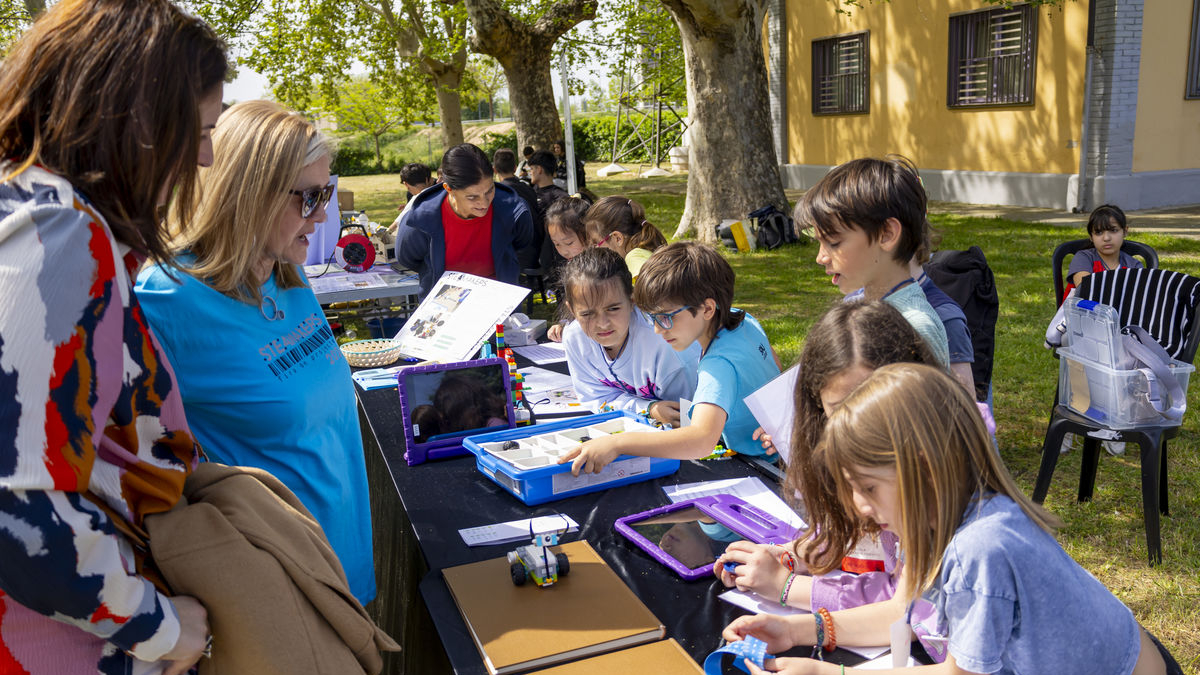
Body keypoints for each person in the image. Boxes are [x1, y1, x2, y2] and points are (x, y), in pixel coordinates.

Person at [0, 1, 226, 672]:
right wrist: (160, 626)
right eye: (200, 129)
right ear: (139, 121)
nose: (208, 155)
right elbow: (18, 502)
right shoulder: (61, 232)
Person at [722, 363, 1181, 675]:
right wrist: (798, 629)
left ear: (921, 467)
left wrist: (829, 671)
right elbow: (909, 612)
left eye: (868, 489)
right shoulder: (951, 512)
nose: (860, 507)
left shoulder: (980, 546)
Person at [135, 100, 377, 605]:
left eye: (326, 193)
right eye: (309, 197)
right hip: (277, 589)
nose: (322, 216)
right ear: (247, 194)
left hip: (346, 568)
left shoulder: (287, 275)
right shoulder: (166, 297)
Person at [715, 301, 947, 660]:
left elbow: (905, 605)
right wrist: (792, 556)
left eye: (873, 402)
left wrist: (787, 586)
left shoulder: (932, 487)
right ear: (818, 407)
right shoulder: (862, 462)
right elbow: (850, 539)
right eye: (843, 409)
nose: (862, 422)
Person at [560, 242, 780, 475]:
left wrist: (617, 443)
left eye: (665, 318)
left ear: (707, 309)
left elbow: (701, 440)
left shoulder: (717, 366)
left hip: (760, 463)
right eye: (653, 318)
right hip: (776, 449)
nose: (656, 330)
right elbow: (774, 369)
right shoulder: (743, 320)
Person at [797, 156, 950, 367]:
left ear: (886, 234)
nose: (820, 257)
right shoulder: (858, 306)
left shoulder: (914, 327)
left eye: (833, 242)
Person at [560, 248, 697, 427]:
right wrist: (649, 409)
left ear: (632, 300)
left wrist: (649, 412)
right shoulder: (574, 338)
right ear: (572, 310)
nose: (602, 323)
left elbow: (688, 418)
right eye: (587, 314)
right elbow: (596, 398)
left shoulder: (665, 342)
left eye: (613, 309)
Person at [394, 143, 534, 298]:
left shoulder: (513, 209)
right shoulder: (420, 219)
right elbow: (407, 258)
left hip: (498, 301)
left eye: (490, 191)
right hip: (443, 306)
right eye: (472, 197)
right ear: (448, 188)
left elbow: (522, 242)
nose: (484, 203)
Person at [585, 196, 669, 279]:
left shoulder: (634, 259)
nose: (593, 250)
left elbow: (649, 290)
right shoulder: (642, 251)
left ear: (618, 238)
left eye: (596, 244)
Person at [546, 197, 592, 342]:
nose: (564, 251)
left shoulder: (602, 266)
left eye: (569, 242)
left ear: (588, 233)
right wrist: (564, 324)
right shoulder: (573, 264)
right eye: (557, 244)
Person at [1067, 203, 1143, 290]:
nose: (1106, 238)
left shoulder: (1134, 265)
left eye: (1113, 230)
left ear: (1125, 231)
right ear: (1091, 237)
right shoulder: (1083, 258)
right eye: (1098, 232)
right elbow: (1085, 289)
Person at [494, 147, 543, 270]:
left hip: (516, 257)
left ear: (494, 170)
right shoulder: (529, 189)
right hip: (537, 251)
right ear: (515, 168)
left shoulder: (496, 194)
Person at [387, 162, 438, 234]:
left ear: (406, 184)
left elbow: (395, 225)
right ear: (427, 179)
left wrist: (386, 232)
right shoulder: (443, 191)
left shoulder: (417, 197)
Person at [529, 149, 569, 215]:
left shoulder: (560, 197)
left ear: (539, 169)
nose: (530, 173)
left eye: (531, 169)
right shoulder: (531, 192)